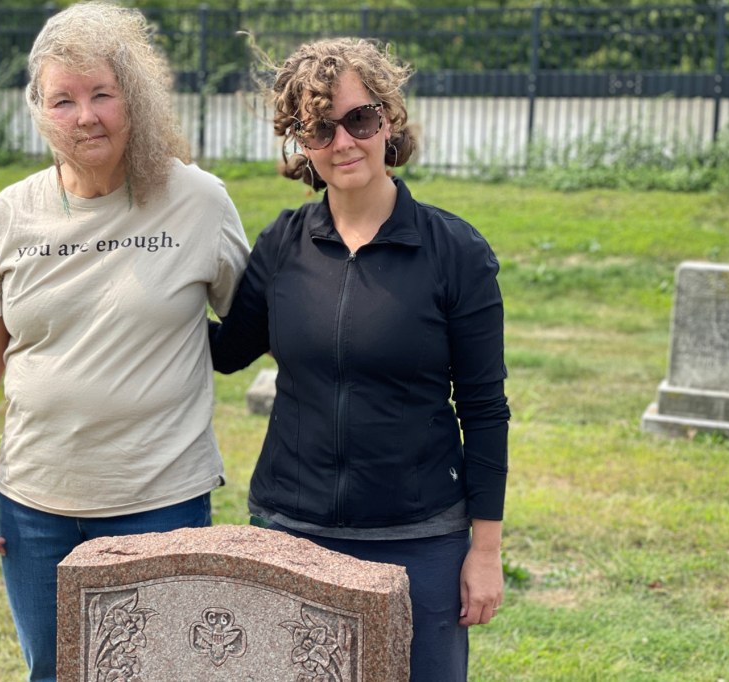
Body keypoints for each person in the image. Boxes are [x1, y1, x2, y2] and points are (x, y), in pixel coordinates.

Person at [0, 3, 249, 680]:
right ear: (39, 110)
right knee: (53, 669)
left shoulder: (198, 202)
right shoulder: (9, 216)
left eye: (103, 94)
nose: (86, 116)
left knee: (160, 670)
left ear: (133, 98)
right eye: (64, 100)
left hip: (160, 498)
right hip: (37, 505)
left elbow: (257, 325)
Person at [208, 37, 509, 682]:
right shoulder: (283, 245)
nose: (344, 142)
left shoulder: (456, 252)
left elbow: (485, 410)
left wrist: (484, 550)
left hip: (419, 538)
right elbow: (226, 352)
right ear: (300, 142)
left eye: (360, 119)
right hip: (290, 531)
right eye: (320, 127)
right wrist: (133, 288)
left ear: (389, 119)